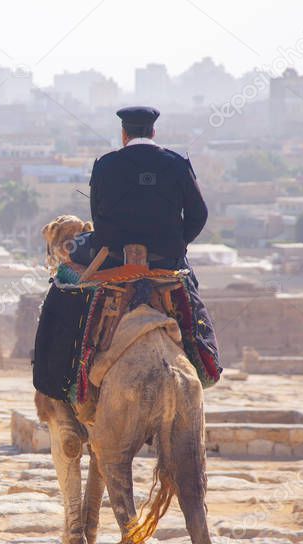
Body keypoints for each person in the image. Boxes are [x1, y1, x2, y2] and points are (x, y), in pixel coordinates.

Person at [87, 105, 220, 378]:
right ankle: (207, 364)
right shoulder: (176, 163)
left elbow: (98, 220)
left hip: (115, 262)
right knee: (195, 308)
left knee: (70, 296)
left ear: (124, 134)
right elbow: (199, 214)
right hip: (167, 262)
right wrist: (177, 244)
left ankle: (67, 378)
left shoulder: (105, 165)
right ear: (153, 132)